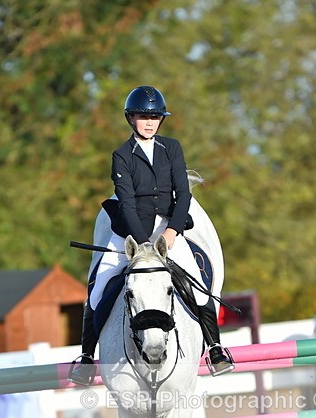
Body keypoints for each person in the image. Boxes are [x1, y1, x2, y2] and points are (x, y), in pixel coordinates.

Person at [68, 85, 234, 385]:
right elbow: (126, 202)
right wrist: (143, 243)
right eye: (143, 117)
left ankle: (215, 348)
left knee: (198, 286)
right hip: (131, 234)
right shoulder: (121, 155)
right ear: (131, 118)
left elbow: (182, 194)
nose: (149, 122)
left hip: (167, 230)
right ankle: (87, 357)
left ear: (161, 120)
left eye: (155, 117)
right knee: (98, 287)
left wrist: (171, 232)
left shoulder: (172, 148)